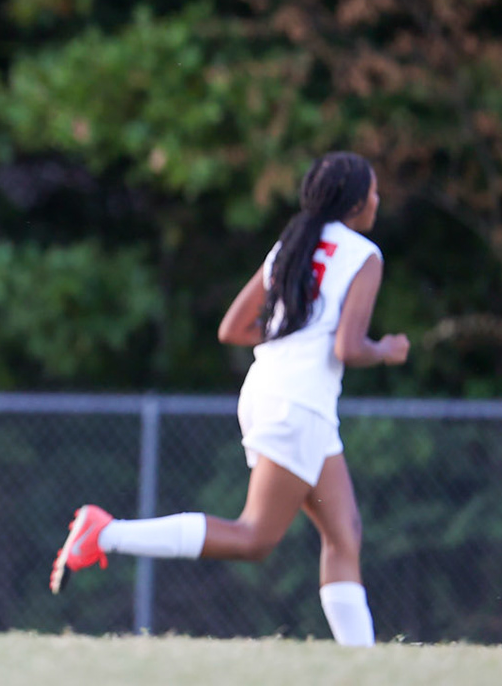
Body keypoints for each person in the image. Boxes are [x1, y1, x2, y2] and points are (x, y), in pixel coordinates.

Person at [50, 151, 409, 646]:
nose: (377, 199)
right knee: (254, 538)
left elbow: (233, 328)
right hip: (297, 403)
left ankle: (363, 664)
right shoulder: (364, 255)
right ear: (353, 203)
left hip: (274, 393)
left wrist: (292, 335)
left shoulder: (292, 244)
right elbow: (349, 347)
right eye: (372, 190)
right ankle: (105, 532)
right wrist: (386, 350)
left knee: (343, 532)